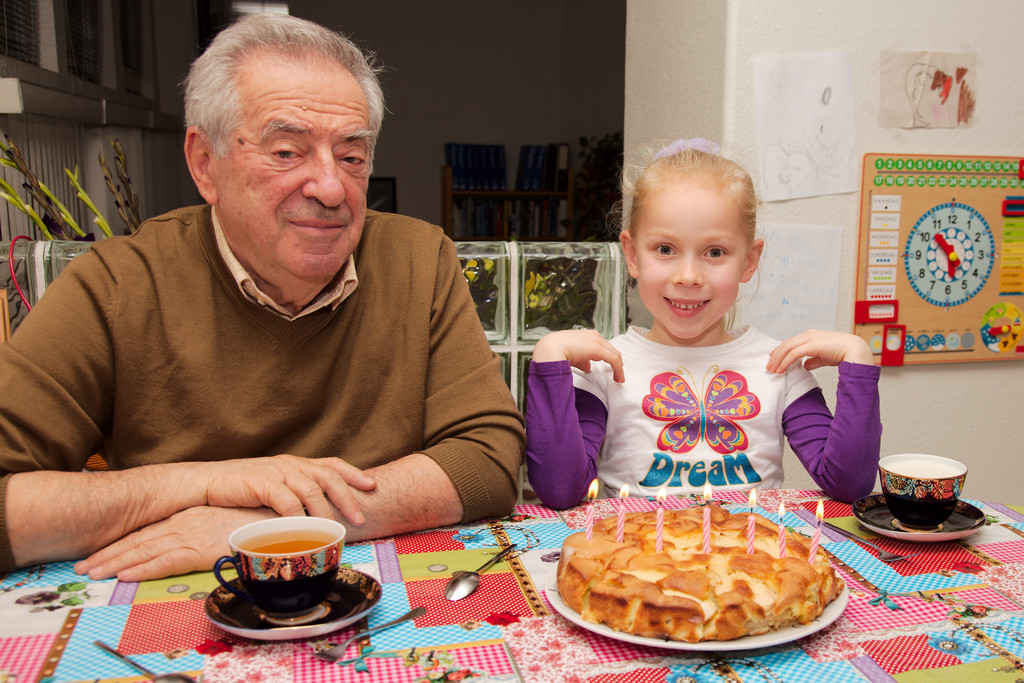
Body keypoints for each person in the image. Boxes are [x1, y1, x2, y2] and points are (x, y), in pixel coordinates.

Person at [0, 14, 524, 581]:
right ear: (205, 163)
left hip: (379, 601)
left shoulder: (419, 260)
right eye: (285, 152)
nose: (330, 188)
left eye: (351, 157)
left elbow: (487, 459)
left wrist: (257, 526)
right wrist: (197, 481)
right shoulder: (116, 287)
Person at [525, 138, 880, 508]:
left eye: (715, 252)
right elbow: (560, 491)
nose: (689, 276)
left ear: (748, 261)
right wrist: (548, 359)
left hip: (751, 559)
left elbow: (848, 486)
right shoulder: (604, 366)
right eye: (665, 249)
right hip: (636, 560)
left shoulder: (779, 366)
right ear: (632, 255)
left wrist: (858, 359)